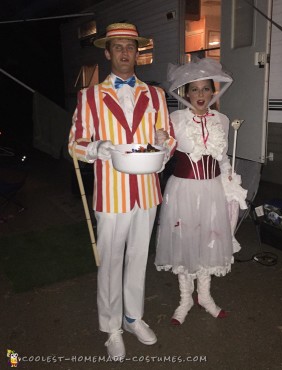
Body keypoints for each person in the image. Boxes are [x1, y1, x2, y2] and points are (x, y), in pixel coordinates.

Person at [68, 22, 175, 361]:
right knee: (111, 262)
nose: (125, 52)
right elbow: (75, 143)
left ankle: (133, 318)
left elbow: (169, 138)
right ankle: (112, 328)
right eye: (119, 47)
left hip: (146, 191)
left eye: (131, 46)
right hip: (111, 193)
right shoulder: (90, 97)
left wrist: (164, 145)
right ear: (108, 52)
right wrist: (97, 147)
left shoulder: (155, 95)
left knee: (138, 258)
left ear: (138, 52)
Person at [154, 57, 247, 325]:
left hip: (212, 191)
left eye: (206, 88)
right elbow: (162, 157)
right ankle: (184, 298)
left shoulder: (222, 119)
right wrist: (159, 142)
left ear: (213, 91)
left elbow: (223, 158)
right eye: (194, 89)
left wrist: (231, 180)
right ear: (186, 92)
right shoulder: (176, 119)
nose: (200, 95)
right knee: (185, 241)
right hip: (183, 189)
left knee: (209, 240)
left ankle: (204, 297)